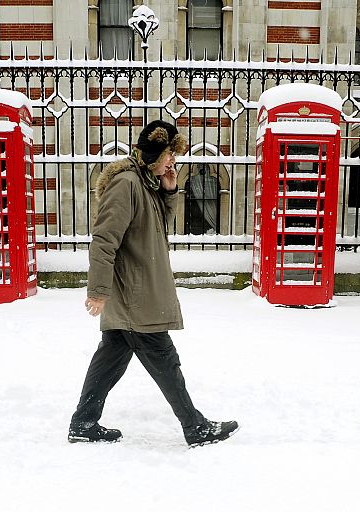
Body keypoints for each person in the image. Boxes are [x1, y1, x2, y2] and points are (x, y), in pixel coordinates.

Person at [68, 120, 239, 448]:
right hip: (136, 295)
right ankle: (194, 426)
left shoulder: (146, 182)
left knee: (110, 359)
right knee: (164, 358)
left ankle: (84, 423)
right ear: (153, 154)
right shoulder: (126, 184)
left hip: (135, 291)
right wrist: (98, 291)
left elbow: (156, 225)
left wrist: (170, 190)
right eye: (169, 156)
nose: (173, 162)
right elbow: (104, 240)